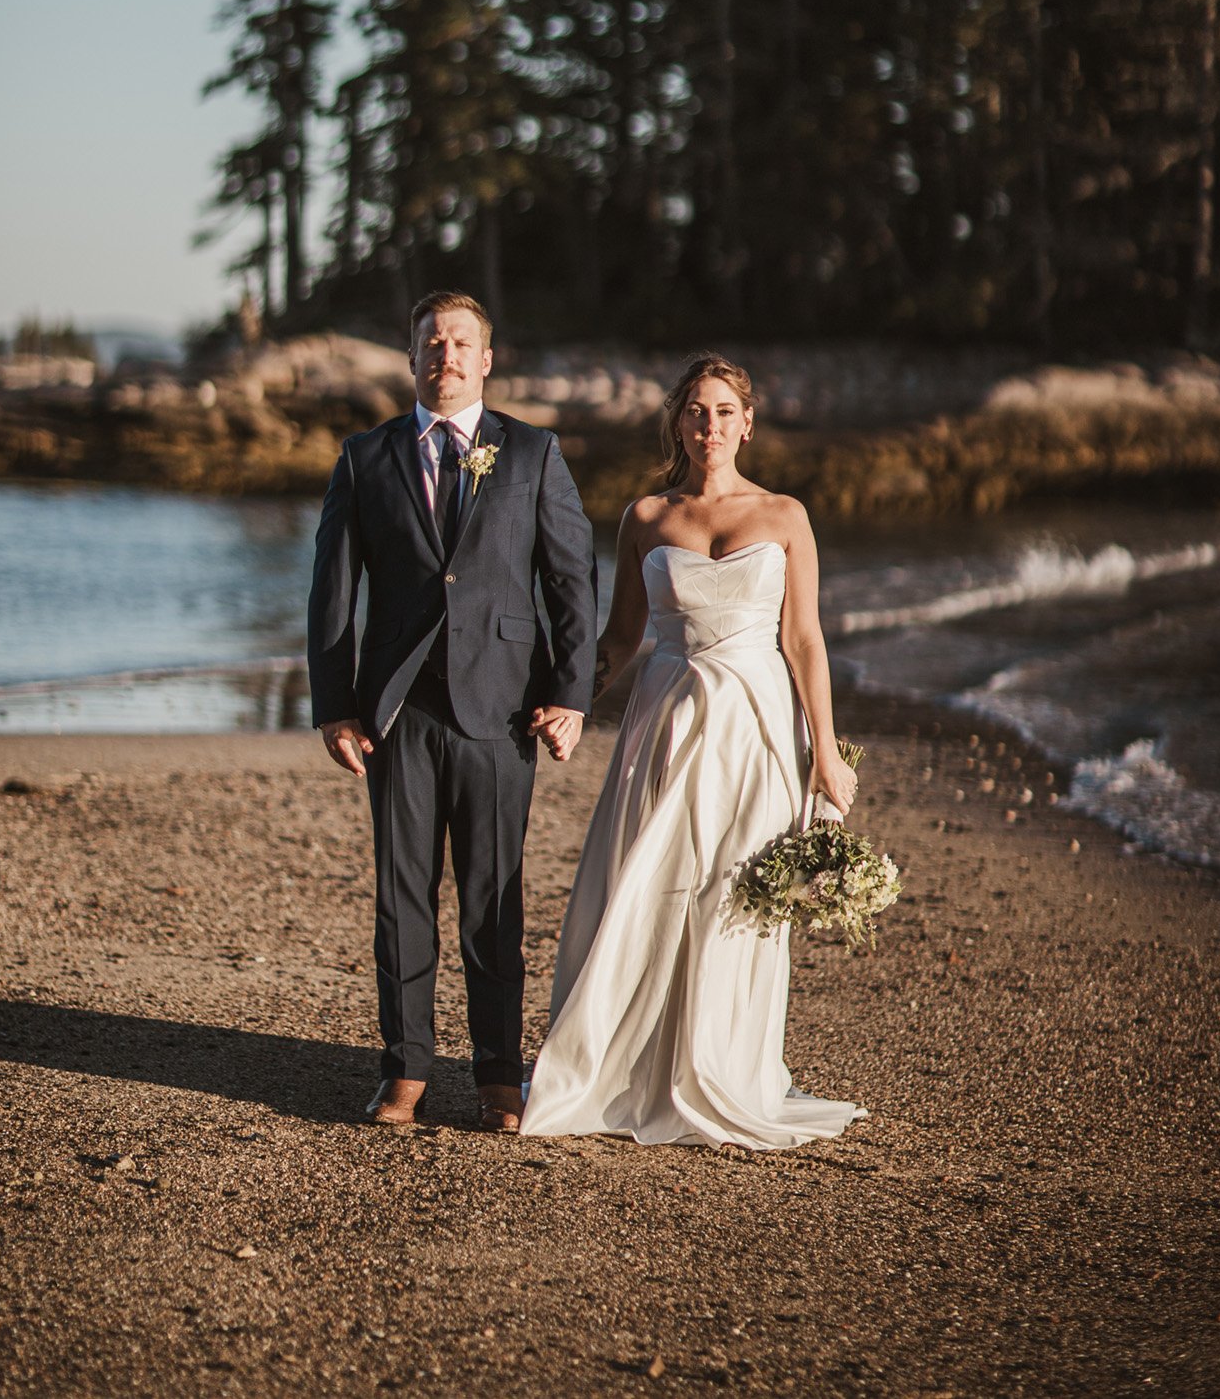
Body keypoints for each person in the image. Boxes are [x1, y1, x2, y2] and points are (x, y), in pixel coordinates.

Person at [520, 353, 866, 1149]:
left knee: (731, 894)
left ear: (746, 423)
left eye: (722, 411)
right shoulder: (646, 516)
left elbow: (804, 640)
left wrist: (825, 753)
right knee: (649, 883)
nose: (708, 425)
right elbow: (621, 636)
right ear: (679, 422)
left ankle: (722, 1067)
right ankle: (625, 1068)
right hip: (666, 721)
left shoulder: (785, 516)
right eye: (695, 411)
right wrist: (567, 701)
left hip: (754, 726)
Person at [307, 291, 597, 1132]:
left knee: (493, 899)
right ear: (410, 359)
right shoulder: (366, 459)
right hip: (396, 714)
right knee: (400, 897)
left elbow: (571, 584)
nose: (446, 355)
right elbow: (333, 595)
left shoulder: (533, 452)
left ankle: (500, 1075)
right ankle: (405, 1071)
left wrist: (570, 697)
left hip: (505, 711)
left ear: (486, 359)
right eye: (432, 342)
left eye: (461, 343)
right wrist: (335, 709)